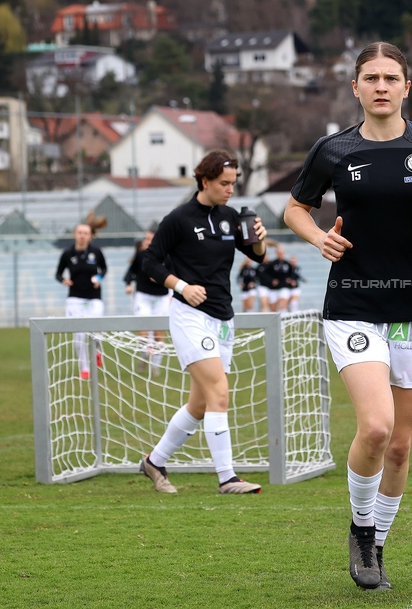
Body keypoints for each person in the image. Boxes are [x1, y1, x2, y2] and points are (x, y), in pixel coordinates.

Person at [283, 41, 412, 590]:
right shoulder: (334, 149)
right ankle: (360, 531)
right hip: (353, 307)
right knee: (375, 425)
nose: (381, 86)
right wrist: (319, 236)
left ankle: (376, 545)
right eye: (371, 77)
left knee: (399, 444)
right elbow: (295, 206)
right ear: (355, 87)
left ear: (407, 87)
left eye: (391, 77)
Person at [140, 149, 268, 495]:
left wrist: (260, 238)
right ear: (205, 180)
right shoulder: (179, 219)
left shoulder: (229, 217)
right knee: (219, 393)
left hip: (223, 318)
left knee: (200, 403)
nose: (230, 189)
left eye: (233, 183)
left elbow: (257, 257)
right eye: (224, 183)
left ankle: (154, 461)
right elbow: (149, 263)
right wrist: (181, 286)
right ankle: (227, 477)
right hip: (189, 316)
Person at [55, 212, 108, 380]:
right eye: (80, 233)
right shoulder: (67, 254)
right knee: (79, 334)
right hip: (75, 298)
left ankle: (98, 352)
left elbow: (104, 270)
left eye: (86, 233)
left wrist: (99, 278)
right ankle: (84, 368)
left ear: (90, 236)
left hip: (94, 298)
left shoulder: (97, 253)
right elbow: (58, 274)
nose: (82, 236)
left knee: (95, 330)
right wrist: (64, 280)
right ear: (74, 234)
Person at [124, 228, 172, 374]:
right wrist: (128, 285)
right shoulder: (141, 256)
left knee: (158, 334)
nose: (146, 242)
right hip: (143, 297)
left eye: (150, 239)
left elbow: (175, 276)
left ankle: (155, 367)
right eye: (146, 239)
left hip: (161, 298)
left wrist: (162, 278)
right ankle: (145, 355)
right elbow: (130, 274)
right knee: (144, 333)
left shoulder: (168, 257)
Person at [267, 244, 292, 311]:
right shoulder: (272, 264)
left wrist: (290, 280)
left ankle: (283, 320)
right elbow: (267, 274)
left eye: (281, 253)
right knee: (273, 309)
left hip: (284, 287)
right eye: (279, 253)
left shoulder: (287, 264)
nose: (280, 254)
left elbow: (292, 274)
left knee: (282, 306)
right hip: (274, 289)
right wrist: (272, 280)